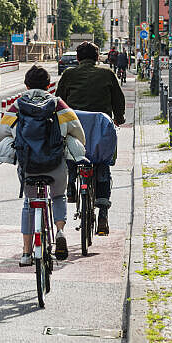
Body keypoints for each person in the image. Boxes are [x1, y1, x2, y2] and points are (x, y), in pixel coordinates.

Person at [0, 65, 86, 266]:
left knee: (29, 203)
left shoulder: (17, 106)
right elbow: (77, 131)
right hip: (55, 165)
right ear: (49, 85)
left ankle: (27, 253)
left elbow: (3, 133)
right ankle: (60, 231)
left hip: (28, 165)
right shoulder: (58, 105)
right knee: (58, 196)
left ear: (26, 85)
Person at [54, 41, 124, 235]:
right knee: (102, 164)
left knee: (69, 151)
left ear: (77, 58)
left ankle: (71, 182)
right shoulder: (107, 74)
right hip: (100, 130)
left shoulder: (69, 74)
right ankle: (102, 213)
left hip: (75, 129)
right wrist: (119, 118)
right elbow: (118, 100)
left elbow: (59, 101)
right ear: (97, 57)